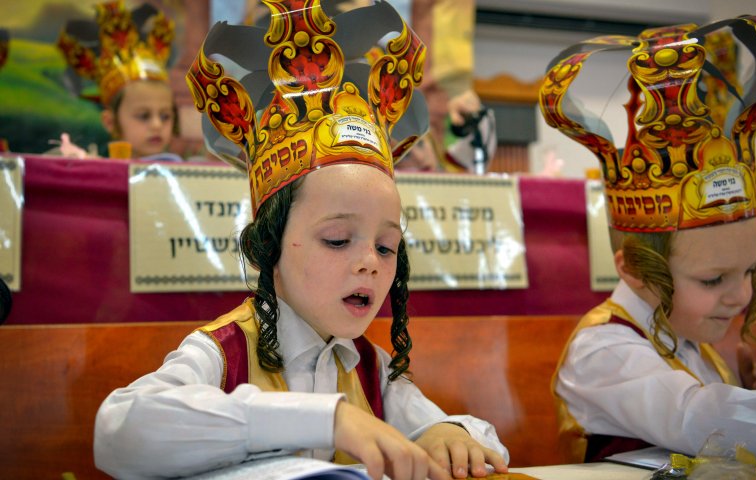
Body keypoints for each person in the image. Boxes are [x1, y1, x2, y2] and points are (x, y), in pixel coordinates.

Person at [93, 1, 509, 479]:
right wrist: (325, 420)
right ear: (270, 245)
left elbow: (473, 437)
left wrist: (451, 433)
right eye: (337, 239)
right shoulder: (224, 353)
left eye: (386, 246)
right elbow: (117, 433)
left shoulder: (371, 368)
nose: (370, 263)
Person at [539, 16, 756, 462]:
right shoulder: (602, 350)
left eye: (750, 271)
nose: (740, 296)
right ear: (634, 269)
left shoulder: (695, 342)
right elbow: (703, 420)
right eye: (713, 280)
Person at [57, 0, 181, 161]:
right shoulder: (97, 172)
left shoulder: (182, 172)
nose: (157, 125)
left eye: (165, 116)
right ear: (110, 122)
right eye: (143, 116)